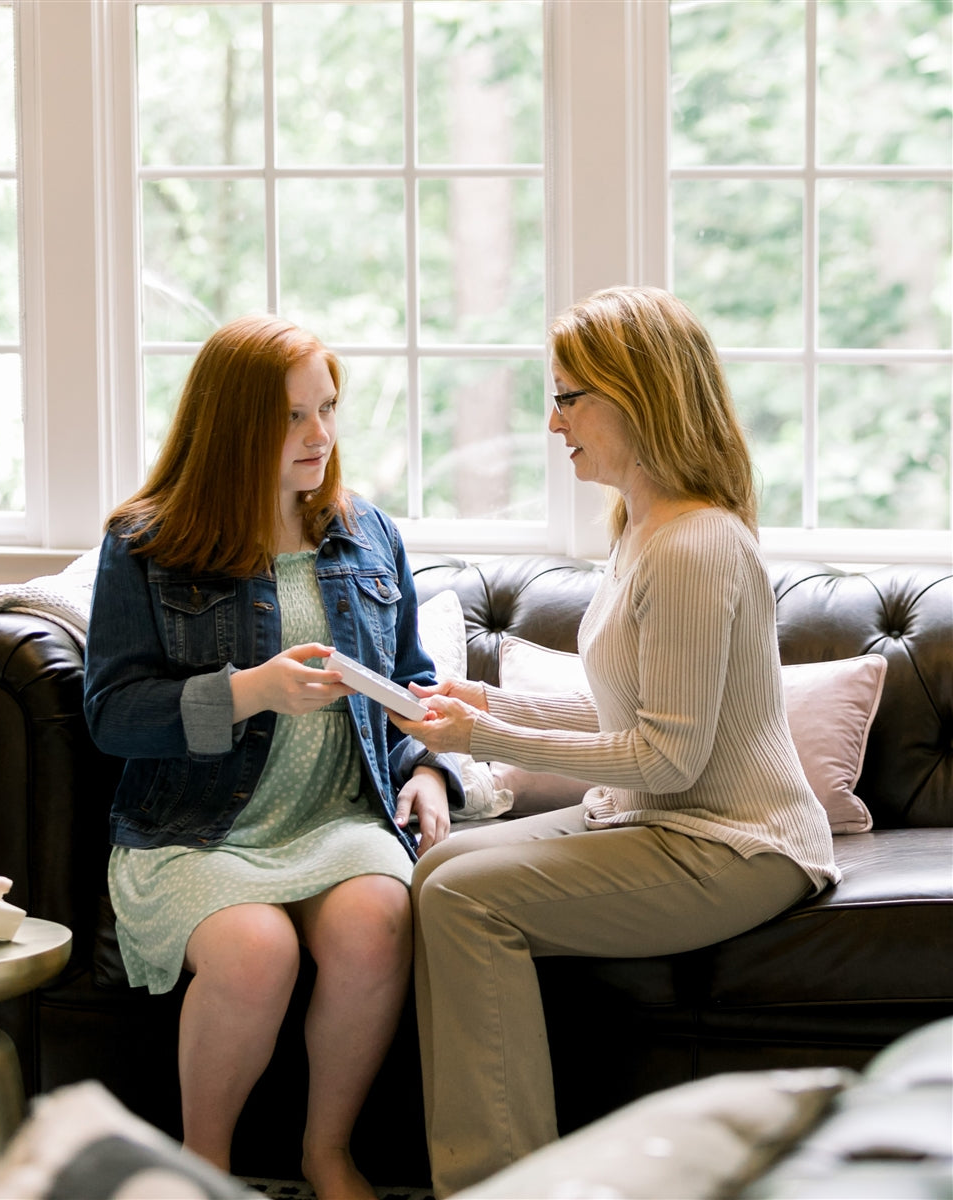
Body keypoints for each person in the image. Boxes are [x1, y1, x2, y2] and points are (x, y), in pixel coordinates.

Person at [390, 285, 841, 1198]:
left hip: (737, 845)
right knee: (436, 874)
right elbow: (630, 718)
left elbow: (668, 759)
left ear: (637, 395)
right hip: (668, 823)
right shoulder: (640, 527)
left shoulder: (694, 546)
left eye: (567, 397)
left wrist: (485, 732)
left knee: (465, 901)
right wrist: (487, 702)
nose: (553, 423)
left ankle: (501, 1184)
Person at [82, 314, 460, 1200]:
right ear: (231, 423)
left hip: (337, 818)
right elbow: (111, 713)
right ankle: (201, 1167)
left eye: (326, 409)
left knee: (379, 923)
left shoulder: (368, 535)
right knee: (255, 952)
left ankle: (326, 1153)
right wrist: (248, 690)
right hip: (198, 829)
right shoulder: (146, 543)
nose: (320, 437)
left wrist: (430, 769)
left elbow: (409, 682)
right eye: (293, 416)